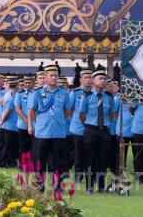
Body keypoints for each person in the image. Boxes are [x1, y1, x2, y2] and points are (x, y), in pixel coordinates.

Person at [27, 64, 72, 192]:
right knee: (40, 162)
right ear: (46, 77)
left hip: (58, 132)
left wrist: (58, 120)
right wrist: (37, 123)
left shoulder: (64, 93)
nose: (54, 78)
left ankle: (57, 185)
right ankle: (39, 186)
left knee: (58, 161)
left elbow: (67, 111)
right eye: (51, 75)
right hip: (42, 133)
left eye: (56, 75)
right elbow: (31, 111)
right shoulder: (37, 92)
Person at [79, 69, 116, 194]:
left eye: (104, 79)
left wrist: (103, 124)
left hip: (104, 130)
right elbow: (82, 114)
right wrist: (89, 125)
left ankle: (101, 186)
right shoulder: (87, 96)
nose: (103, 81)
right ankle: (89, 187)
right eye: (100, 78)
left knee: (103, 158)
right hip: (91, 130)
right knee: (89, 158)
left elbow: (111, 114)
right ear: (93, 81)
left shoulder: (109, 97)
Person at [69, 69, 92, 182]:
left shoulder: (95, 93)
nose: (88, 80)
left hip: (92, 128)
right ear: (81, 79)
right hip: (78, 128)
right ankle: (78, 177)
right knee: (78, 154)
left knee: (90, 153)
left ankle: (89, 176)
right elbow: (70, 110)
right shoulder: (74, 93)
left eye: (90, 77)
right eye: (85, 77)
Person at [0, 77, 19, 168]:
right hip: (10, 125)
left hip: (9, 125)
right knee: (8, 146)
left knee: (8, 145)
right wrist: (2, 121)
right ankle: (3, 163)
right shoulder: (11, 97)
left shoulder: (8, 94)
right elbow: (8, 111)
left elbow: (0, 103)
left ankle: (10, 162)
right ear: (16, 85)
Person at [14, 74, 34, 161]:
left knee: (33, 147)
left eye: (29, 83)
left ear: (33, 83)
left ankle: (32, 164)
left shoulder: (37, 93)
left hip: (35, 125)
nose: (27, 84)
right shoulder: (20, 94)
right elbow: (17, 108)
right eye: (26, 83)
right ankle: (22, 165)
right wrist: (26, 121)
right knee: (23, 147)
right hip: (23, 125)